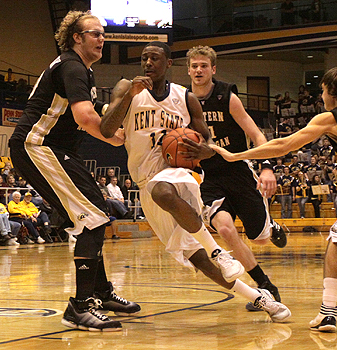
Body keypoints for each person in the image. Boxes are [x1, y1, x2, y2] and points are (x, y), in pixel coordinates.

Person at [100, 41, 290, 323]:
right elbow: (105, 129)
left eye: (155, 58)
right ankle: (261, 298)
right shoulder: (126, 87)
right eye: (144, 59)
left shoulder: (184, 98)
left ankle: (219, 251)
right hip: (144, 179)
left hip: (179, 173)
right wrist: (129, 96)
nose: (148, 63)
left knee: (164, 191)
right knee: (196, 258)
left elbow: (206, 139)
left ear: (168, 64)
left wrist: (207, 150)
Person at [212, 65, 337, 332]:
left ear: (329, 91)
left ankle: (328, 313)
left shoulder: (330, 117)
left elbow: (283, 145)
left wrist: (236, 156)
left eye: (323, 90)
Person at [8, 10, 138, 331]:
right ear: (77, 38)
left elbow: (87, 113)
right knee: (93, 214)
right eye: (95, 33)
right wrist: (117, 136)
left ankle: (101, 292)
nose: (101, 39)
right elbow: (83, 115)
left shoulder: (79, 69)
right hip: (38, 145)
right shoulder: (73, 66)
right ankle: (79, 307)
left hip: (56, 149)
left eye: (103, 34)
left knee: (90, 215)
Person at [185, 45, 287, 312]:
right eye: (194, 66)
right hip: (208, 176)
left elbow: (257, 135)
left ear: (213, 69)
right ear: (188, 70)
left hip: (238, 170)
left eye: (203, 66)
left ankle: (272, 226)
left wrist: (266, 166)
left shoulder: (227, 97)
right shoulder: (182, 100)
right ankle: (264, 285)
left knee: (260, 239)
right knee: (226, 230)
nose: (198, 70)